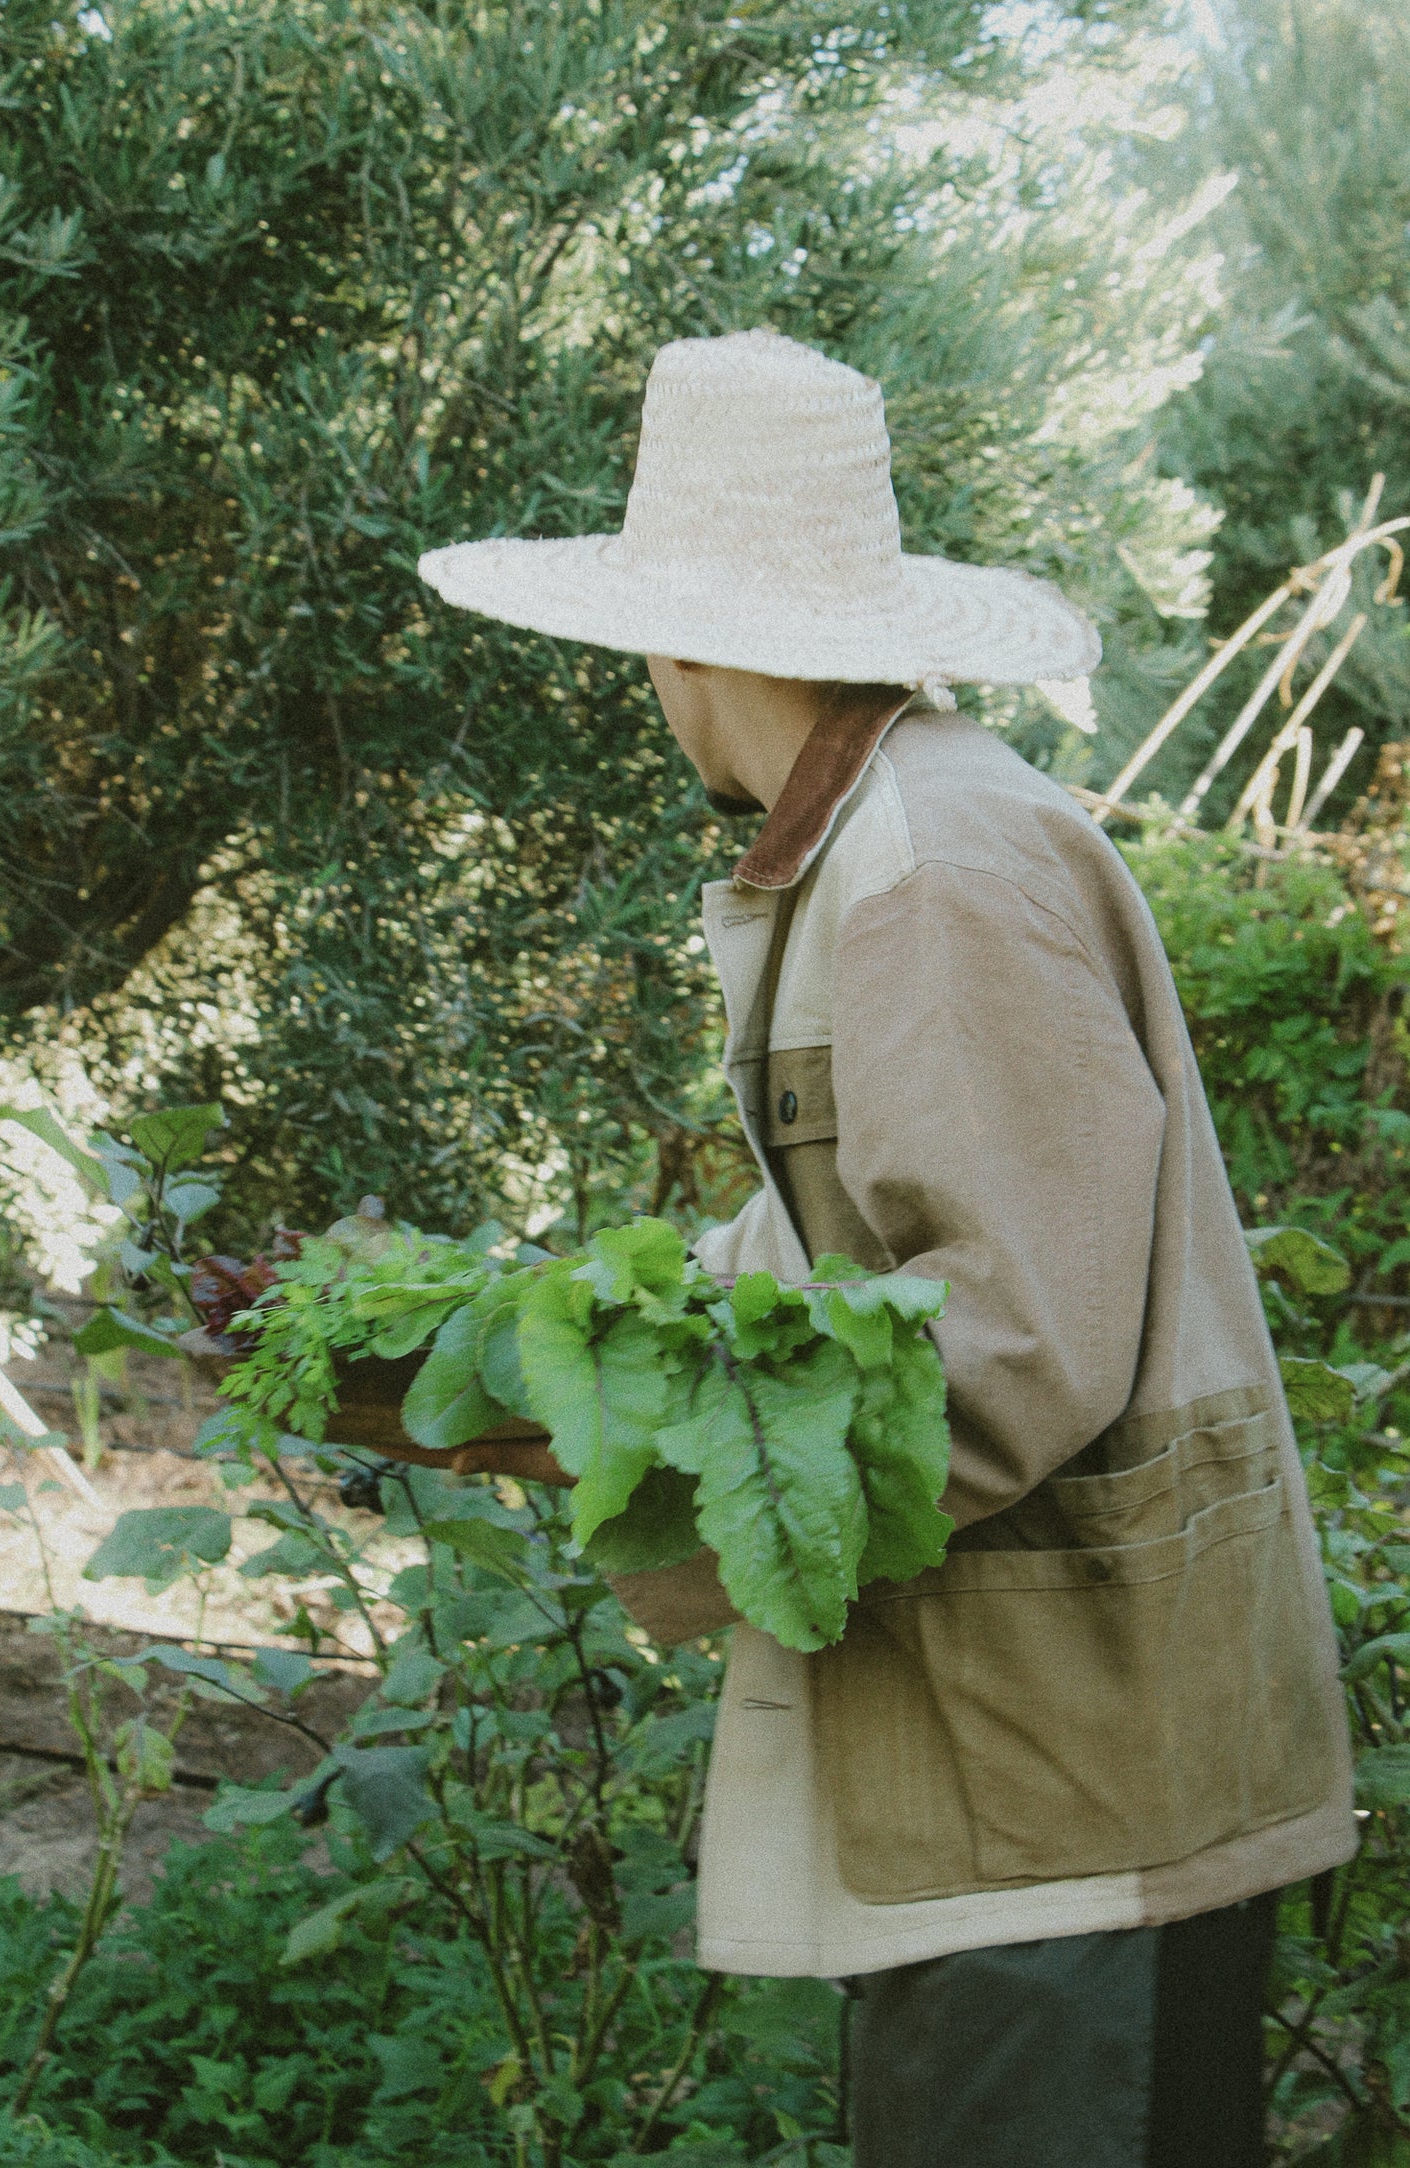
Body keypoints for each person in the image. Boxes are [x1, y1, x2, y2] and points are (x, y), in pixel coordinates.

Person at [418, 327, 1355, 2168]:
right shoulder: (873, 836)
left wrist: (639, 1461)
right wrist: (599, 1341)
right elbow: (830, 1228)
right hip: (1035, 1767)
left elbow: (1012, 1340)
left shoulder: (932, 869)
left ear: (675, 644)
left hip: (1074, 1779)